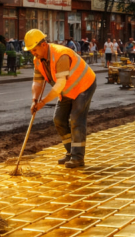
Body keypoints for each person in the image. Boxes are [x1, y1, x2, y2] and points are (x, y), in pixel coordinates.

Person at [25, 29, 97, 168]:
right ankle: (70, 152)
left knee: (76, 118)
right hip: (67, 91)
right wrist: (34, 100)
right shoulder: (38, 60)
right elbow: (37, 82)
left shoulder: (60, 55)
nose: (33, 53)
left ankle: (78, 157)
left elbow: (60, 83)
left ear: (44, 45)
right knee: (58, 119)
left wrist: (43, 102)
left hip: (83, 85)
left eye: (34, 50)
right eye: (31, 51)